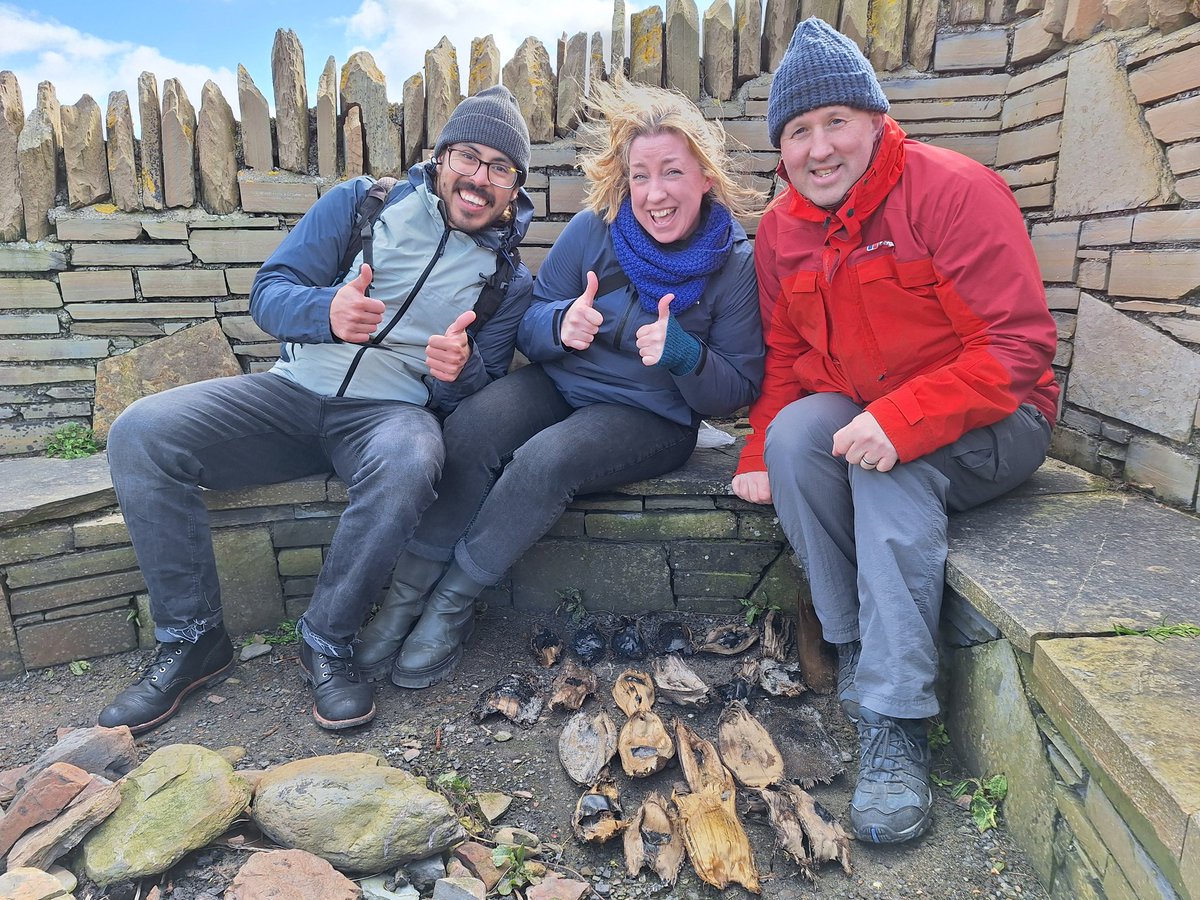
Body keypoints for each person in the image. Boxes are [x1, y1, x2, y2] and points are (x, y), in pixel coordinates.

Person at [97, 86, 535, 733]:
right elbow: (269, 293)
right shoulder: (362, 203)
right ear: (440, 158)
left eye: (501, 168)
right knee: (140, 432)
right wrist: (326, 312)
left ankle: (326, 639)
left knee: (414, 453)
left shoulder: (508, 282)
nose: (480, 178)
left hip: (386, 419)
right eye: (468, 156)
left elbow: (480, 392)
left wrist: (459, 371)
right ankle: (192, 639)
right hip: (290, 395)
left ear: (515, 186)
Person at [731, 19, 1060, 845]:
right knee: (798, 437)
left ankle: (895, 720)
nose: (819, 147)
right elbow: (785, 357)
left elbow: (1017, 350)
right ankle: (849, 645)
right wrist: (756, 447)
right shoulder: (780, 232)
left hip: (999, 417)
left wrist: (902, 420)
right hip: (869, 409)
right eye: (799, 130)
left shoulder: (953, 191)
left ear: (876, 120)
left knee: (888, 469)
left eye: (836, 120)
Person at [353, 81, 765, 688]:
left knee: (545, 459)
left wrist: (684, 354)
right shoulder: (594, 231)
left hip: (652, 417)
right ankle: (405, 597)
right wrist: (560, 323)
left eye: (672, 172)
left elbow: (737, 389)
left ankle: (451, 605)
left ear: (704, 176)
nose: (655, 194)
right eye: (640, 175)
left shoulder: (735, 264)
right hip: (563, 385)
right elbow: (530, 321)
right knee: (470, 429)